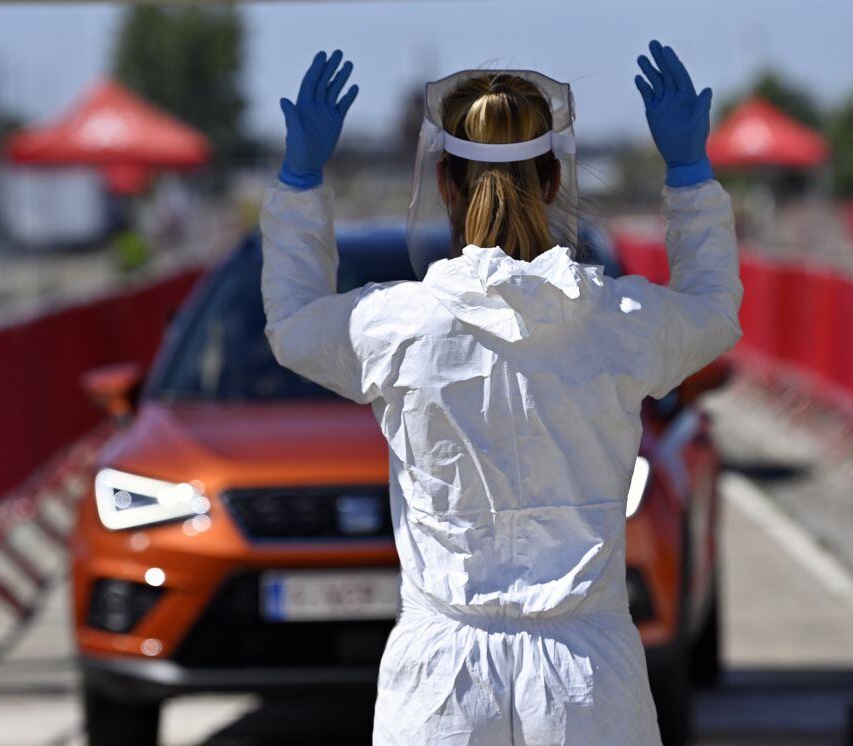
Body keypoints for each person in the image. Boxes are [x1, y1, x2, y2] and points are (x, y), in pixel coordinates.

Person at [260, 41, 742, 746]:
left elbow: (295, 324)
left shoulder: (401, 324)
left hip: (442, 684)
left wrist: (301, 181)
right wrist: (690, 176)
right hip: (587, 682)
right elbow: (712, 312)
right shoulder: (615, 322)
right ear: (552, 181)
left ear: (447, 185)